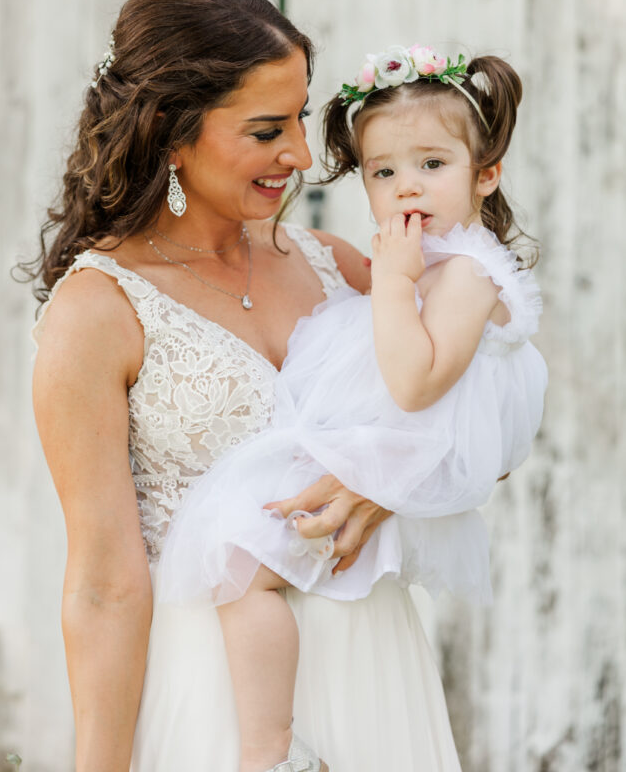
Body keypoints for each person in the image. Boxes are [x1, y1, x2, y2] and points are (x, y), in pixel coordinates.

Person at [29, 0, 467, 772]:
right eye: (267, 129)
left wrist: (388, 475)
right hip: (215, 699)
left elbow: (479, 412)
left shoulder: (335, 266)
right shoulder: (97, 311)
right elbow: (104, 586)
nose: (300, 153)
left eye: (300, 116)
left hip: (375, 671)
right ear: (169, 130)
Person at [157, 43, 548, 770]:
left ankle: (270, 746)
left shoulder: (464, 272)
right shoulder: (428, 265)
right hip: (377, 446)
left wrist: (393, 284)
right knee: (237, 563)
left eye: (432, 165)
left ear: (484, 175)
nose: (407, 189)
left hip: (396, 450)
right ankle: (269, 737)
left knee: (239, 560)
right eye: (383, 172)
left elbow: (414, 385)